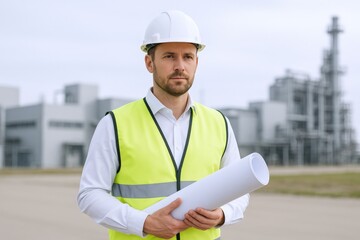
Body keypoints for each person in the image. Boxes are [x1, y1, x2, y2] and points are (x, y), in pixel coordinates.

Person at [77, 10, 250, 240]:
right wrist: (144, 223)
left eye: (188, 57)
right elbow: (90, 194)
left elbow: (238, 189)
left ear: (197, 63)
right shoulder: (115, 124)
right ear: (149, 62)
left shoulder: (219, 123)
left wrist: (223, 214)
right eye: (169, 56)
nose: (180, 66)